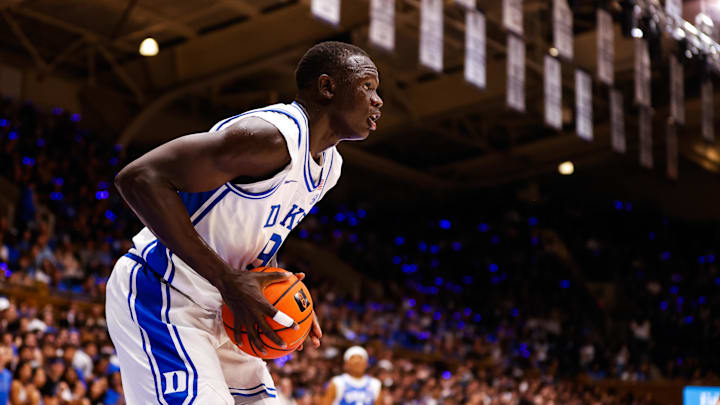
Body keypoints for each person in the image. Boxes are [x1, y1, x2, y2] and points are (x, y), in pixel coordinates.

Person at [107, 41, 382, 404]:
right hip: (163, 297)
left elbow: (255, 239)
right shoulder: (269, 137)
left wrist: (283, 298)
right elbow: (139, 177)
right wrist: (228, 280)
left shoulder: (329, 166)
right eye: (367, 86)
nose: (377, 100)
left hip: (226, 310)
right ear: (328, 87)